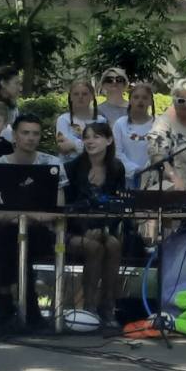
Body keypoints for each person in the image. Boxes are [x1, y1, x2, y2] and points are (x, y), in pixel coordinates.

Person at [0, 114, 68, 326]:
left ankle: (5, 299)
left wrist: (27, 217)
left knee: (19, 239)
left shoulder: (52, 164)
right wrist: (23, 216)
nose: (30, 138)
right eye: (25, 133)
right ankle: (28, 306)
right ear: (14, 136)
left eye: (35, 134)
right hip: (7, 231)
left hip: (42, 233)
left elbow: (58, 209)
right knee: (10, 237)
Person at [64, 123, 125, 323]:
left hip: (104, 228)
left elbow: (120, 206)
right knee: (94, 247)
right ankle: (88, 308)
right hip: (72, 230)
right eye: (87, 137)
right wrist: (83, 230)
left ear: (109, 140)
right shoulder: (72, 168)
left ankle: (107, 307)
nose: (90, 141)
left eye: (96, 136)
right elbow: (66, 206)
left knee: (114, 245)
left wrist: (105, 229)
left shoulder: (116, 168)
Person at [144, 78, 186, 191]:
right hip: (171, 190)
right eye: (181, 101)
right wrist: (173, 177)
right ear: (173, 99)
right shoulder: (164, 122)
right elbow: (157, 155)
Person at [113, 82, 156, 184]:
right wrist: (135, 170)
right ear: (130, 100)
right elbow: (117, 152)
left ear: (150, 101)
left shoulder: (158, 124)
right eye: (136, 97)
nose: (140, 101)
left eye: (145, 98)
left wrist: (147, 172)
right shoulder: (120, 124)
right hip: (126, 178)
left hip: (152, 178)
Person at [55, 78, 105, 162]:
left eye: (85, 94)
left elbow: (102, 149)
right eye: (76, 94)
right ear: (70, 97)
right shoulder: (63, 120)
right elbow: (63, 147)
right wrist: (91, 145)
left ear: (92, 96)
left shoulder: (101, 121)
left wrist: (74, 145)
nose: (80, 97)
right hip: (69, 168)